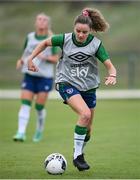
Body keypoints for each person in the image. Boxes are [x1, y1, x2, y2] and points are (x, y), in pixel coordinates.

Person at [27, 8, 117, 170]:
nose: (81, 35)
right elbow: (45, 43)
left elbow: (110, 66)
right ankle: (77, 156)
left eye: (84, 32)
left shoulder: (96, 45)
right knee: (85, 114)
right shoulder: (64, 39)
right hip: (66, 83)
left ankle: (79, 151)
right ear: (73, 28)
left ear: (90, 31)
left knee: (88, 128)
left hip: (89, 88)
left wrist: (112, 75)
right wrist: (31, 59)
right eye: (78, 31)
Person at [13, 13, 59, 142]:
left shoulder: (52, 39)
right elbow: (25, 53)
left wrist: (43, 57)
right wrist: (21, 61)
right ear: (36, 22)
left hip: (45, 77)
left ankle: (39, 130)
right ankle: (20, 132)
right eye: (39, 19)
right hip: (29, 75)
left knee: (39, 107)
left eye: (44, 20)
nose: (41, 21)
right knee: (25, 104)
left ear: (48, 24)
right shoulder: (30, 37)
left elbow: (56, 59)